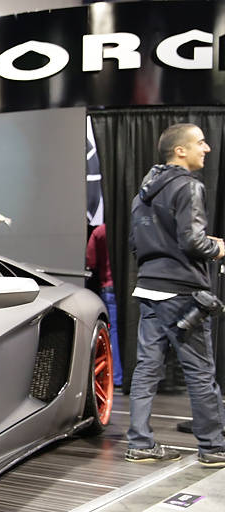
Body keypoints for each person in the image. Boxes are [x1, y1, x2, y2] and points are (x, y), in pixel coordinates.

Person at [126, 122, 225, 466]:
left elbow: (137, 243)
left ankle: (140, 443)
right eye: (200, 142)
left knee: (146, 369)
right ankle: (213, 447)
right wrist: (218, 248)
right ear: (180, 151)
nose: (207, 148)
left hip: (148, 288)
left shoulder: (142, 194)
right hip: (183, 293)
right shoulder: (189, 187)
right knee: (199, 372)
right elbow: (193, 242)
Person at [85, 224, 123, 387]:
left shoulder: (100, 232)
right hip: (132, 285)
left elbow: (91, 261)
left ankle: (117, 376)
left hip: (108, 285)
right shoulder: (131, 227)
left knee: (113, 331)